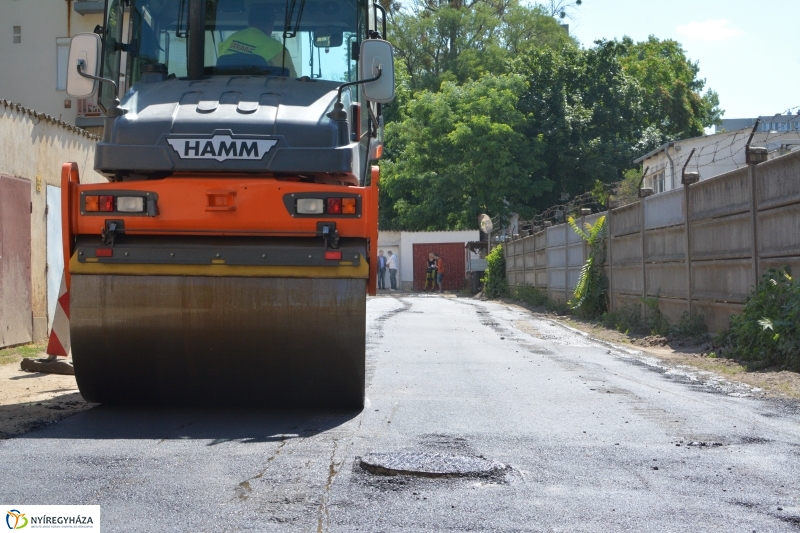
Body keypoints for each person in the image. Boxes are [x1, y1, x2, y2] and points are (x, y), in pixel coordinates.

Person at [217, 4, 297, 77]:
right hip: (261, 92)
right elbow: (291, 82)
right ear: (271, 24)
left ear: (249, 22)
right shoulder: (277, 48)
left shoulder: (230, 39)